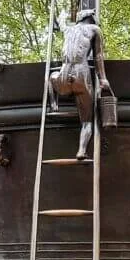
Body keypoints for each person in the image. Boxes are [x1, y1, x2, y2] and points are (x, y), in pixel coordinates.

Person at [50, 9, 112, 160]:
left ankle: (53, 103)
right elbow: (98, 56)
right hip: (81, 75)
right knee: (87, 121)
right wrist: (103, 79)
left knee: (51, 76)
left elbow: (61, 24)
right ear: (92, 17)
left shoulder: (68, 30)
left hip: (63, 76)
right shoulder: (94, 29)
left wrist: (60, 17)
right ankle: (81, 150)